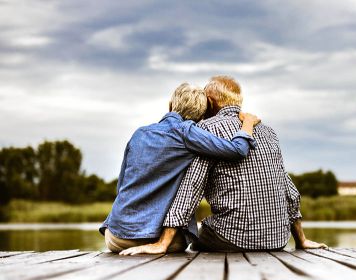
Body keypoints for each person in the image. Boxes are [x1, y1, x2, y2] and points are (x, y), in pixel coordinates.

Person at [120, 76, 326, 255]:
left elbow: (191, 187)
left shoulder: (205, 129)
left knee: (194, 237)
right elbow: (288, 188)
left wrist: (162, 243)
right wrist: (301, 240)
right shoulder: (268, 131)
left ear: (209, 102)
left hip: (231, 238)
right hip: (277, 240)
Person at [100, 82, 260, 254]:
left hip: (115, 236)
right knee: (188, 240)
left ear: (170, 105)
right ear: (202, 116)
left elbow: (121, 186)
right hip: (154, 237)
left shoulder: (139, 133)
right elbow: (238, 150)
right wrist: (248, 123)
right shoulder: (187, 132)